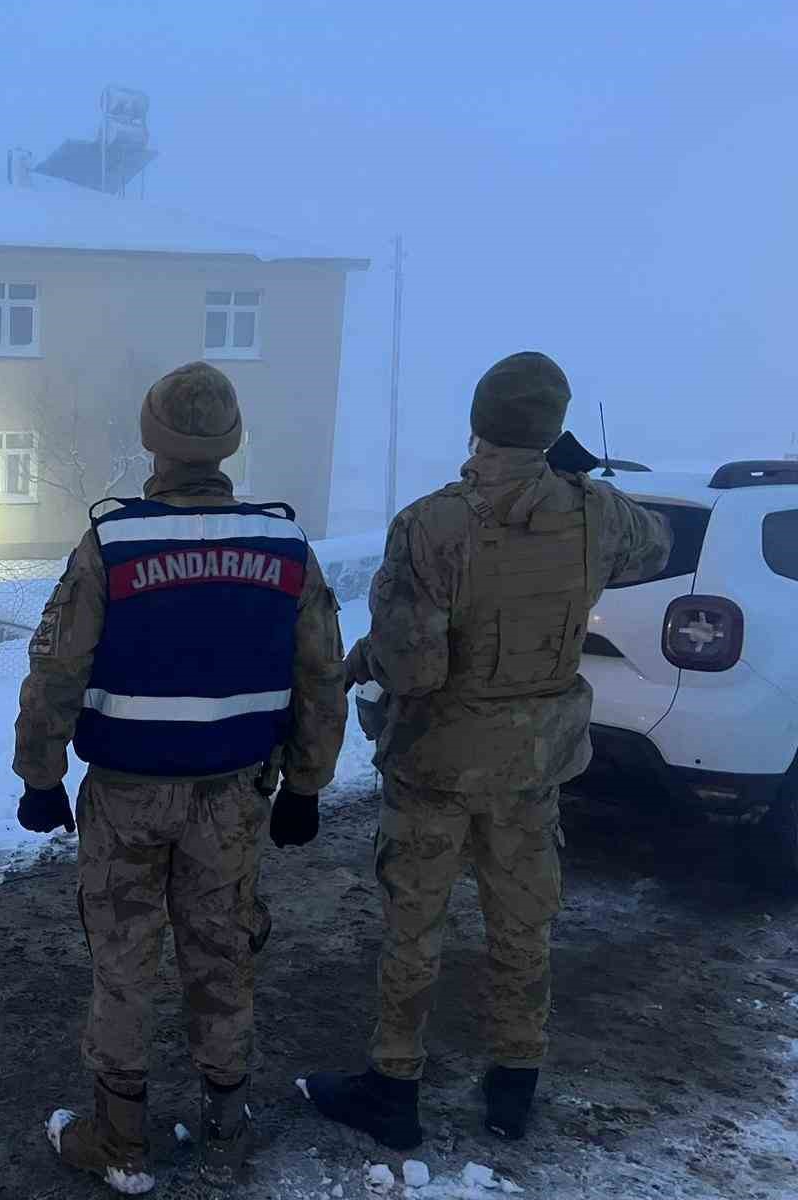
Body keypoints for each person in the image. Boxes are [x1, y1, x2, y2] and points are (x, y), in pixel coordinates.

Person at [304, 352, 672, 1149]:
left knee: (414, 926)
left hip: (437, 763)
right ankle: (514, 1085)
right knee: (523, 924)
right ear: (555, 428)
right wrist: (581, 481)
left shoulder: (432, 525)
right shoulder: (599, 513)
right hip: (535, 765)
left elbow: (416, 667)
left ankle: (394, 1086)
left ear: (477, 423)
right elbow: (658, 547)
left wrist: (370, 656)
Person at [13, 362, 348, 1190]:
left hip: (125, 795)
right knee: (223, 951)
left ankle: (119, 1140)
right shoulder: (284, 545)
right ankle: (227, 1117)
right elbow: (322, 678)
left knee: (123, 958)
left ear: (152, 439)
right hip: (236, 796)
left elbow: (56, 671)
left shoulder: (112, 544)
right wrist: (307, 785)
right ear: (230, 443)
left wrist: (40, 774)